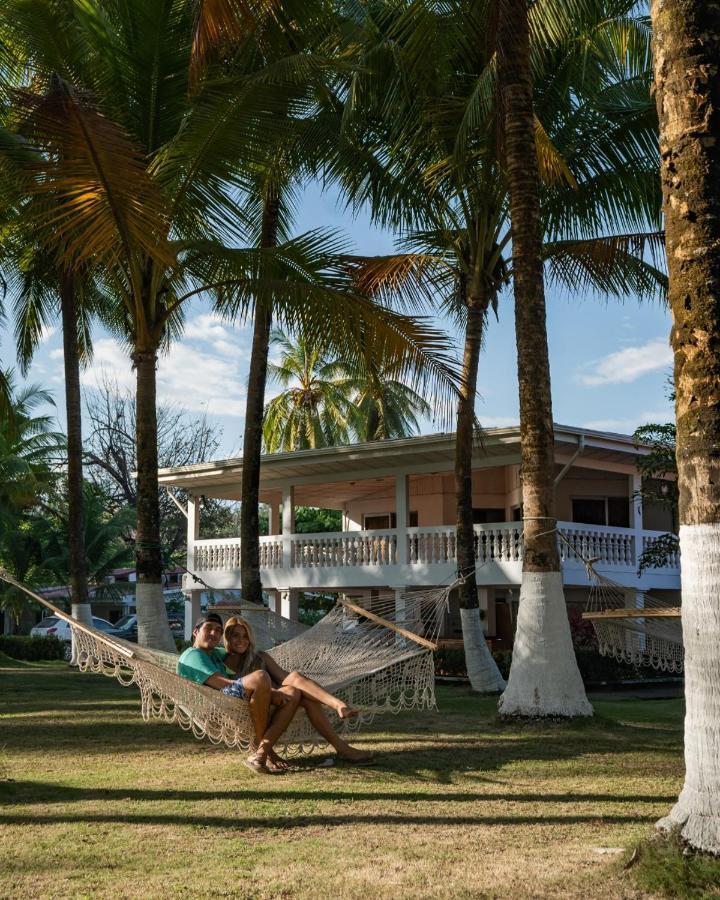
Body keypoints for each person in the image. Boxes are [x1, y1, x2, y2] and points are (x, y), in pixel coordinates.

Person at [223, 616, 374, 764]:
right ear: (227, 637)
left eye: (245, 636)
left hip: (280, 703)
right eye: (235, 636)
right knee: (297, 693)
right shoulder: (220, 661)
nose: (241, 640)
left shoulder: (259, 658)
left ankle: (339, 707)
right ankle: (342, 747)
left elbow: (285, 678)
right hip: (253, 709)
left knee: (297, 682)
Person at [176, 613, 300, 774]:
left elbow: (233, 651)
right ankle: (265, 751)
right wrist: (270, 692)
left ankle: (264, 752)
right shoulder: (194, 655)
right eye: (209, 628)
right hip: (218, 703)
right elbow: (222, 683)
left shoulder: (213, 653)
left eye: (218, 630)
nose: (214, 633)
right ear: (195, 632)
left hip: (228, 698)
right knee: (260, 677)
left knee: (294, 693)